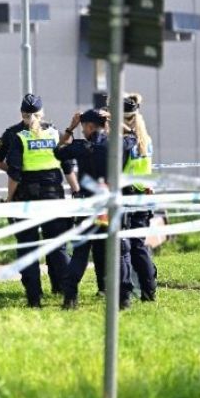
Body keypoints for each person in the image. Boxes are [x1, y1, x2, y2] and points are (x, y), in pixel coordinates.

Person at [54, 108, 134, 309]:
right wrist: (116, 121)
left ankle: (70, 297)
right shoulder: (116, 145)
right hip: (110, 207)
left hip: (88, 207)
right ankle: (123, 298)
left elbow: (57, 151)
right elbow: (133, 137)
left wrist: (69, 128)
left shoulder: (81, 147)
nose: (81, 131)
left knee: (80, 253)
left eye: (82, 127)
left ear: (90, 126)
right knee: (120, 252)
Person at [4, 93, 73, 307]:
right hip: (54, 196)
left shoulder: (20, 137)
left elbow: (14, 173)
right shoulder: (55, 134)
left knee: (28, 247)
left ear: (22, 114)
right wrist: (76, 191)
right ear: (42, 113)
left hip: (28, 200)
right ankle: (68, 295)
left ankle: (34, 298)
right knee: (58, 246)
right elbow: (67, 166)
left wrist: (9, 198)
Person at [121, 93, 158, 301]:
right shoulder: (145, 138)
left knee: (134, 246)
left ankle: (147, 289)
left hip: (131, 196)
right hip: (144, 195)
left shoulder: (127, 142)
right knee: (139, 245)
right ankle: (148, 286)